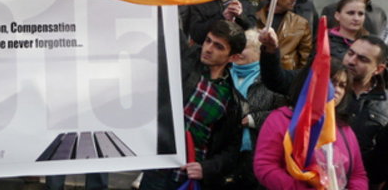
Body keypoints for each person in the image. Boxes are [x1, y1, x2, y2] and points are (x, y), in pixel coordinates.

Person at [259, 29, 388, 188]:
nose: (351, 61)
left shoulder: (348, 127)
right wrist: (270, 51)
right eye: (350, 53)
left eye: (362, 59)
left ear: (378, 69)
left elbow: (359, 173)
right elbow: (266, 165)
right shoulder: (284, 118)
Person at [140, 20, 244, 190]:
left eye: (218, 46)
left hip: (188, 180)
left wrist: (207, 168)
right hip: (158, 169)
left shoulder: (232, 100)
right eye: (208, 41)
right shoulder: (186, 63)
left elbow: (231, 150)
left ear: (234, 57)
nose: (209, 49)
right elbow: (168, 27)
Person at [253, 58, 368, 189]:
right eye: (331, 81)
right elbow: (265, 167)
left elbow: (358, 175)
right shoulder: (281, 120)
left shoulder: (345, 129)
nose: (336, 90)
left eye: (342, 85)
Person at [225, 28, 286, 189]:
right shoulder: (225, 73)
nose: (237, 51)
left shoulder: (272, 78)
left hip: (255, 152)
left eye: (243, 47)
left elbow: (283, 114)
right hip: (224, 152)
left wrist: (253, 119)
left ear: (258, 51)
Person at [256, 0, 312, 70]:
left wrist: (299, 79)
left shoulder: (301, 23)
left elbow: (305, 56)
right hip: (257, 73)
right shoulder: (255, 19)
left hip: (286, 76)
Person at [181, 0, 256, 45]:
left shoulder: (245, 5)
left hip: (237, 58)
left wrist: (241, 17)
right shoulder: (200, 4)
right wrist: (221, 17)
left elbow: (252, 31)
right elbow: (196, 34)